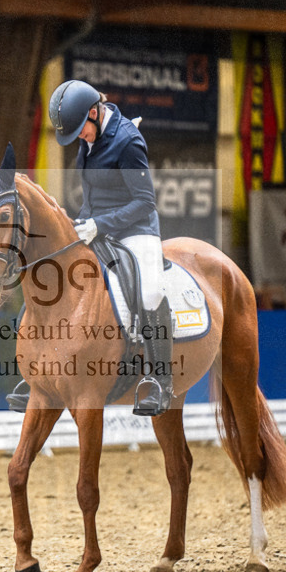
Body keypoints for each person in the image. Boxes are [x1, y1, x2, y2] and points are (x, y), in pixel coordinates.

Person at [49, 79, 172, 416]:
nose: (78, 139)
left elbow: (145, 202)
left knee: (149, 292)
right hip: (97, 229)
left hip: (137, 230)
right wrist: (79, 226)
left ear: (94, 112)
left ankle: (161, 382)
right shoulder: (88, 140)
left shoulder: (128, 141)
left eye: (79, 132)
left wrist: (100, 225)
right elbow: (91, 197)